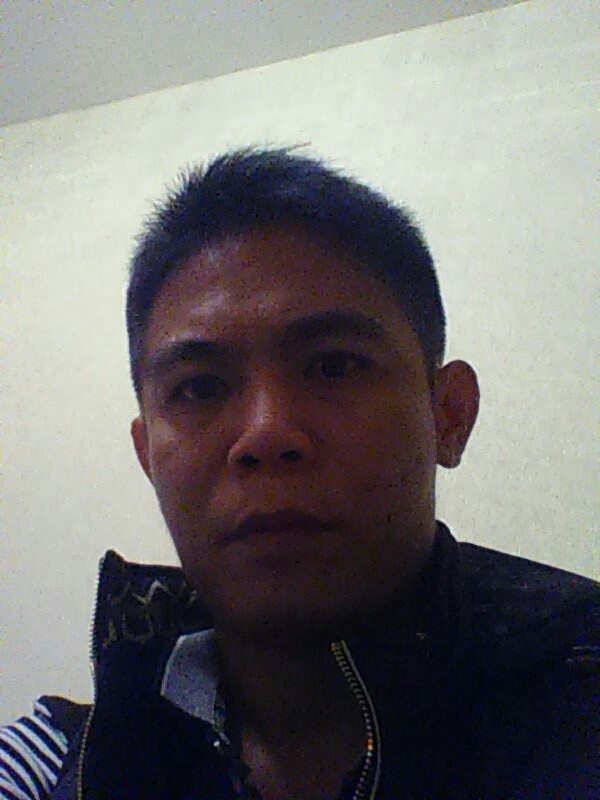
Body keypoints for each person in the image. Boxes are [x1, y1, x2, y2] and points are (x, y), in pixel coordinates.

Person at [1, 148, 597, 800]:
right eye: (199, 388)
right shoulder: (62, 762)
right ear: (148, 456)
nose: (265, 434)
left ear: (449, 414)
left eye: (334, 366)